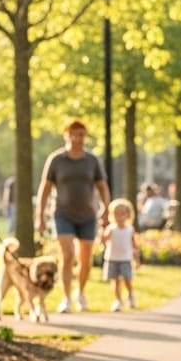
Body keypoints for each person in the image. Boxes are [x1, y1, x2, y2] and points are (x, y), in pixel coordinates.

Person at [36, 119, 111, 313]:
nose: (78, 138)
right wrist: (40, 216)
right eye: (74, 134)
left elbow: (102, 186)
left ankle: (81, 292)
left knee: (85, 259)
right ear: (66, 135)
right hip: (63, 214)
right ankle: (66, 297)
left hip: (87, 215)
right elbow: (45, 188)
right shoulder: (56, 159)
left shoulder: (92, 160)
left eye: (81, 134)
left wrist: (106, 209)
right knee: (67, 255)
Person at [100, 198, 140, 311]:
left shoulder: (130, 229)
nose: (119, 216)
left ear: (128, 215)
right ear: (112, 215)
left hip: (125, 259)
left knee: (127, 280)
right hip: (112, 259)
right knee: (116, 281)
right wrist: (102, 231)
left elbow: (134, 245)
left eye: (122, 214)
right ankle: (118, 301)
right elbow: (103, 240)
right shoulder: (111, 229)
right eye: (116, 214)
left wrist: (136, 259)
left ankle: (131, 295)